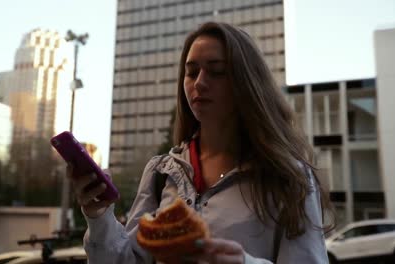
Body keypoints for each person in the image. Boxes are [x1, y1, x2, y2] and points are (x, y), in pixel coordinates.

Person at [68, 21, 334, 264]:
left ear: (247, 83)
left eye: (217, 72)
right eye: (191, 72)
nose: (200, 83)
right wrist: (100, 215)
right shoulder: (160, 173)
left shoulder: (289, 176)